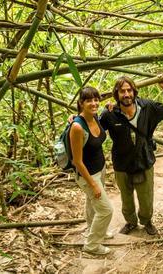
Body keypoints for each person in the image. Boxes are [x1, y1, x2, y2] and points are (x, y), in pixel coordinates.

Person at [99, 76, 163, 235]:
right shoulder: (110, 113)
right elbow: (93, 128)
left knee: (146, 197)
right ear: (116, 94)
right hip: (121, 163)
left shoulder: (148, 107)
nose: (126, 94)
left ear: (134, 91)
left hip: (144, 159)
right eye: (122, 91)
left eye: (129, 90)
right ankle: (130, 222)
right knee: (126, 197)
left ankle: (147, 221)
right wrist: (75, 119)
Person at [70, 86, 113, 255]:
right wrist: (93, 184)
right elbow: (77, 161)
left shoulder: (95, 118)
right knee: (106, 210)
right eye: (89, 100)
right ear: (81, 103)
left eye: (96, 99)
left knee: (91, 203)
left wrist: (111, 107)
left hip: (99, 168)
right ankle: (92, 246)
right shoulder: (77, 127)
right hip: (87, 174)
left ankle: (92, 230)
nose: (94, 103)